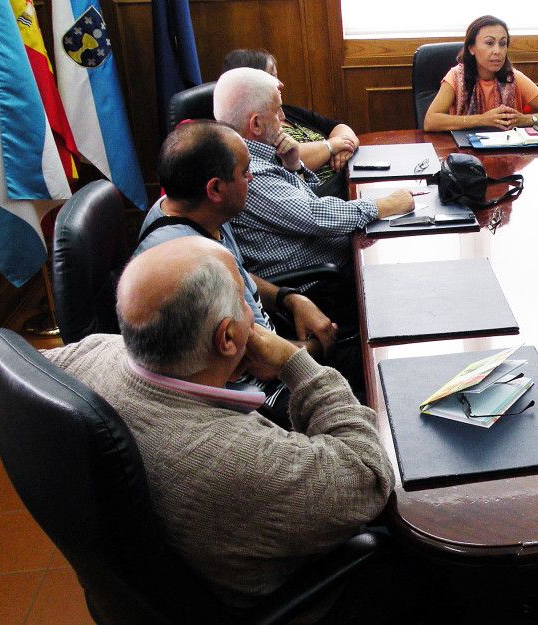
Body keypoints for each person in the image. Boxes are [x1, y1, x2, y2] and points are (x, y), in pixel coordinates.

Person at [43, 236, 394, 618]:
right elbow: (370, 476)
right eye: (244, 301)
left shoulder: (86, 354)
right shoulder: (241, 460)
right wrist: (297, 363)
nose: (251, 311)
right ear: (228, 337)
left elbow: (26, 366)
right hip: (296, 595)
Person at [213, 67, 412, 306]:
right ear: (255, 124)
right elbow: (317, 215)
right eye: (277, 111)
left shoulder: (263, 156)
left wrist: (294, 166)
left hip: (328, 257)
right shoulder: (250, 172)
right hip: (316, 286)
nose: (283, 118)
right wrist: (385, 205)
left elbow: (306, 200)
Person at [137, 119, 336, 357]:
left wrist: (289, 299)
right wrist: (320, 346)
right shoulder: (194, 263)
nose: (251, 178)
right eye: (244, 172)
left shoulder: (190, 209)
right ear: (216, 189)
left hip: (270, 340)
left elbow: (239, 276)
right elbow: (259, 362)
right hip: (259, 383)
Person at [221, 49, 355, 199]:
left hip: (348, 180)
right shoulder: (258, 129)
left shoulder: (287, 111)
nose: (280, 84)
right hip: (329, 196)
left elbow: (339, 127)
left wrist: (345, 146)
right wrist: (332, 146)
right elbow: (290, 156)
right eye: (271, 77)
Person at [422, 15, 538, 132]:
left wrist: (525, 120)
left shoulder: (514, 78)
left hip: (509, 155)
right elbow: (430, 121)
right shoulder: (455, 77)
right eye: (490, 43)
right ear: (471, 48)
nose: (497, 51)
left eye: (503, 44)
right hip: (467, 156)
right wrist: (482, 119)